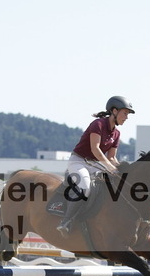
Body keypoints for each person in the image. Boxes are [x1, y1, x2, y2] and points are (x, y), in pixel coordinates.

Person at [56, 96, 135, 236]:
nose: (127, 117)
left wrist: (122, 171)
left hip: (94, 164)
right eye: (125, 113)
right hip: (78, 161)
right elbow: (95, 149)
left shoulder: (116, 133)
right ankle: (66, 221)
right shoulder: (98, 124)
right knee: (85, 187)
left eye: (128, 114)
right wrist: (110, 168)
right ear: (114, 111)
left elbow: (111, 157)